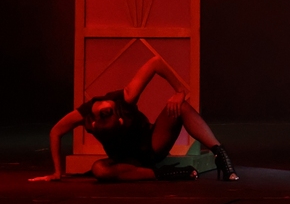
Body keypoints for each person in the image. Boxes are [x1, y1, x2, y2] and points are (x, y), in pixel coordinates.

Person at [33, 53, 236, 182]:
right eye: (110, 115)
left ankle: (221, 155)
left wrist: (179, 91)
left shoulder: (126, 97)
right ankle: (164, 174)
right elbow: (56, 132)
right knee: (99, 169)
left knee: (180, 106)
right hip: (127, 163)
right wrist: (57, 172)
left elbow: (156, 62)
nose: (112, 109)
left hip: (152, 145)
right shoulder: (87, 117)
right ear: (95, 122)